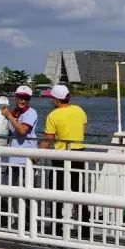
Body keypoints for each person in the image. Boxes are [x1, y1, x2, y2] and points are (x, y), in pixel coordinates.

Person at [41, 84, 89, 239]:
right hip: (79, 155)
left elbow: (48, 139)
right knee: (79, 192)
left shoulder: (53, 115)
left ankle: (57, 228)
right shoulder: (79, 110)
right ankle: (85, 228)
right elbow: (83, 130)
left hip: (61, 157)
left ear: (56, 99)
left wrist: (35, 155)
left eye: (52, 98)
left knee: (57, 193)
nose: (51, 101)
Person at [0, 85, 38, 229]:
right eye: (20, 97)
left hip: (26, 160)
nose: (22, 100)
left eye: (26, 98)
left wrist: (8, 116)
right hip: (12, 160)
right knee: (4, 192)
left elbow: (22, 130)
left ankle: (28, 226)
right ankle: (4, 223)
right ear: (15, 98)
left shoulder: (31, 112)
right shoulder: (13, 113)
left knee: (26, 194)